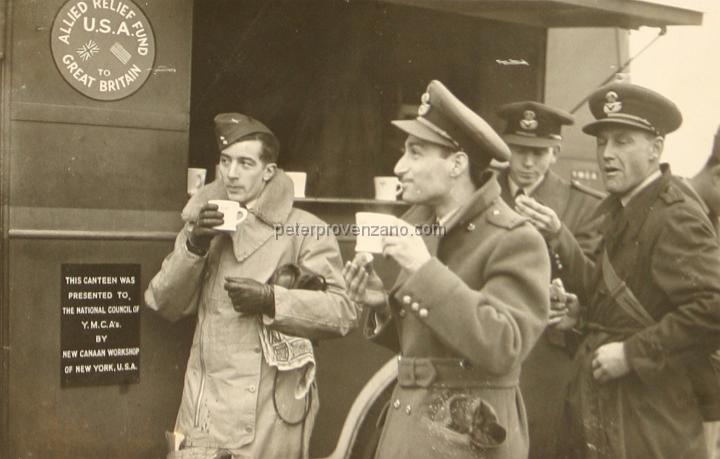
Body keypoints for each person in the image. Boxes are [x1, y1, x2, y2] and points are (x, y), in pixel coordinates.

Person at [343, 80, 551, 459]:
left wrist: (422, 268)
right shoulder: (426, 224)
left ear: (457, 163)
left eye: (415, 153)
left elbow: (505, 346)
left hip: (466, 442)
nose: (399, 167)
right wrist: (380, 305)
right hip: (409, 431)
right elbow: (430, 349)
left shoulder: (515, 239)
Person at [518, 82, 720, 458]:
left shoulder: (674, 215)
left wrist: (631, 353)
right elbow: (631, 303)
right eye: (602, 142)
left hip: (650, 422)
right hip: (610, 412)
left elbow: (713, 309)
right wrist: (580, 316)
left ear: (655, 149)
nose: (607, 154)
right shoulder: (624, 208)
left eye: (623, 141)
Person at [145, 113, 358, 459]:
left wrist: (272, 300)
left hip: (266, 414)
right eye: (225, 161)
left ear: (268, 171)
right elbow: (163, 302)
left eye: (245, 163)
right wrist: (194, 246)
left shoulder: (305, 229)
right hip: (202, 409)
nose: (231, 173)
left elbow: (343, 313)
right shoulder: (202, 223)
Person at [495, 101, 604, 459]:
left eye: (539, 152)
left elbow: (590, 284)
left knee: (538, 446)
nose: (527, 163)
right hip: (484, 342)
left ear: (556, 152)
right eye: (519, 150)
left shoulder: (583, 205)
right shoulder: (480, 193)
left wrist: (558, 233)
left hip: (544, 355)